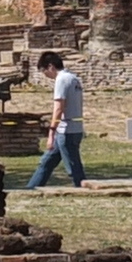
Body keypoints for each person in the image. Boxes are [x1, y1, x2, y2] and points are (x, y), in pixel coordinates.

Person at [26, 51, 87, 189]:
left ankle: (83, 188)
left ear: (51, 66)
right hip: (75, 128)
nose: (45, 76)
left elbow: (59, 108)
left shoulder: (61, 80)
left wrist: (51, 132)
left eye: (44, 71)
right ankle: (31, 189)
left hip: (66, 131)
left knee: (73, 166)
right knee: (47, 162)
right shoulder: (73, 78)